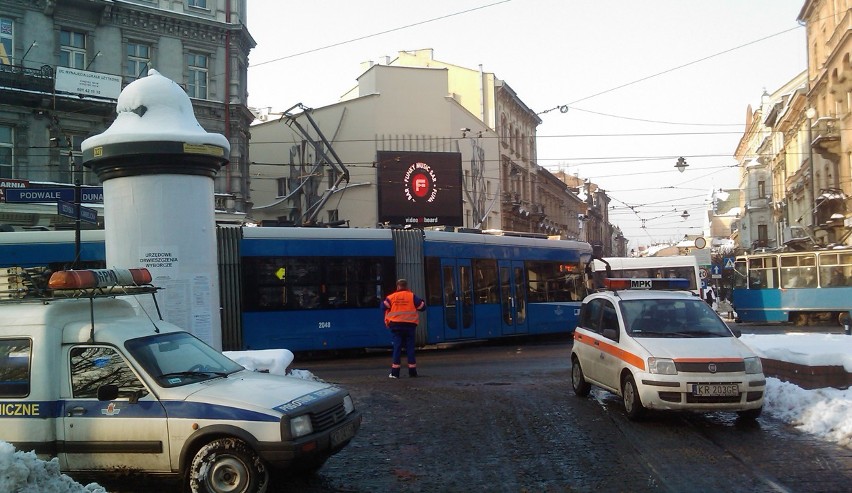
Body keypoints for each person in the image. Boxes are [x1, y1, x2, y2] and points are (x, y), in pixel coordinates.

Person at [383, 279, 426, 378]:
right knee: (410, 348)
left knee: (397, 348)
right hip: (410, 327)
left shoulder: (392, 297)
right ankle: (412, 372)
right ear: (406, 286)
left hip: (396, 327)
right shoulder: (411, 296)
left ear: (398, 286)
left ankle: (395, 373)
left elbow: (383, 306)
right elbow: (422, 307)